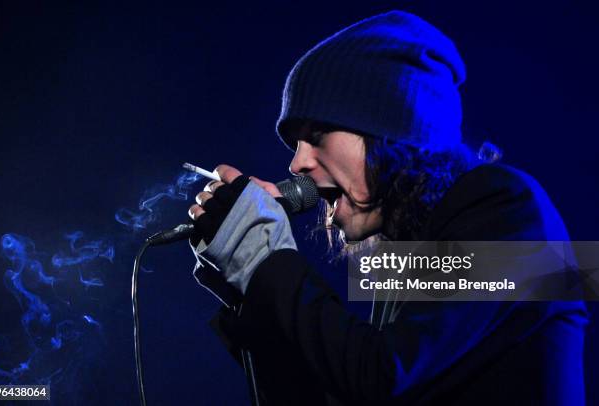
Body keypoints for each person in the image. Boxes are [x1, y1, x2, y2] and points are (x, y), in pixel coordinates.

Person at [188, 10, 588, 405]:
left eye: (318, 133)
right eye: (295, 145)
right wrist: (251, 288)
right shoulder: (407, 255)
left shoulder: (507, 208)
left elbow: (383, 379)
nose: (296, 165)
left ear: (391, 130)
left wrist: (266, 261)